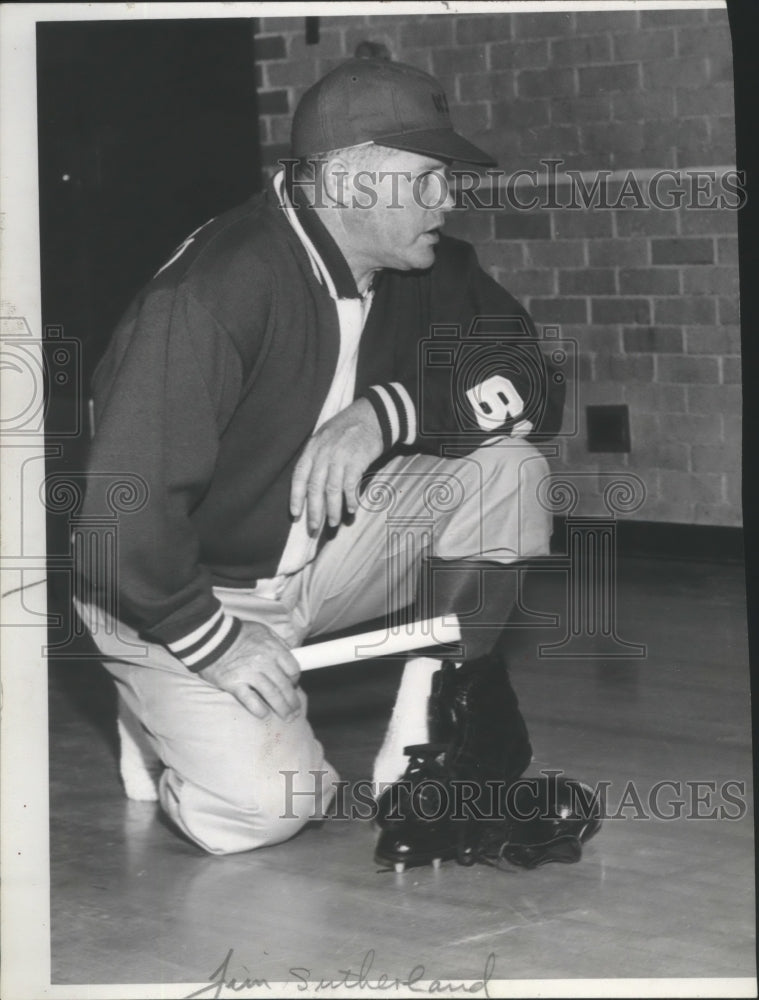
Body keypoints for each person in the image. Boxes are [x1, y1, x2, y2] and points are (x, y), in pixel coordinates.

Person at [75, 57, 562, 859]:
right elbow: (116, 520)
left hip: (321, 557)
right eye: (426, 179)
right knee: (270, 810)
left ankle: (422, 738)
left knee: (509, 469)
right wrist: (213, 642)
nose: (448, 199)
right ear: (346, 182)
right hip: (173, 592)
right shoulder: (213, 291)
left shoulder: (433, 265)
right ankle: (156, 713)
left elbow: (536, 380)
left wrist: (389, 412)